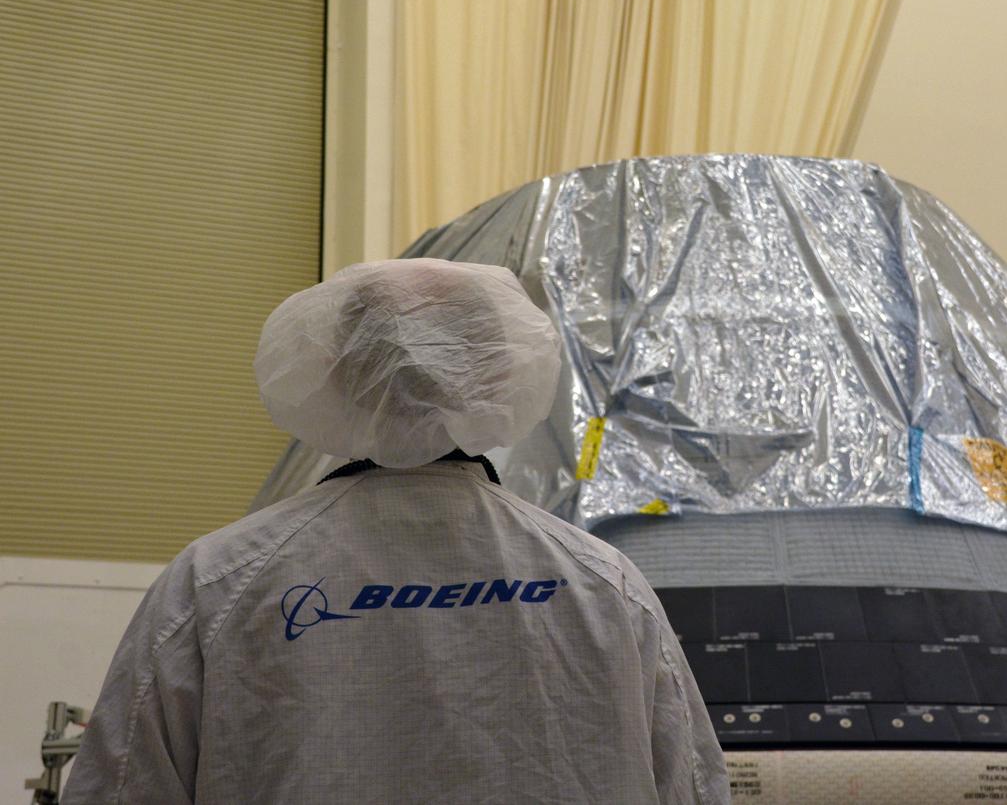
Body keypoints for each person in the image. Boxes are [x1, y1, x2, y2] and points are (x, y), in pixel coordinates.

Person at [63, 259, 729, 804]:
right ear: (498, 374)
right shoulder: (603, 584)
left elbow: (120, 787)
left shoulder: (218, 582)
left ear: (336, 371)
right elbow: (695, 789)